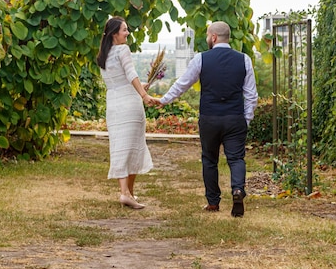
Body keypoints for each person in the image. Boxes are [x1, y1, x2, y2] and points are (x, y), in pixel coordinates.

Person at [153, 21, 258, 217]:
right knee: (236, 158)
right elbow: (251, 95)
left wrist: (164, 100)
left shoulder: (201, 59)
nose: (207, 39)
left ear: (214, 37)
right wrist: (246, 119)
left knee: (209, 159)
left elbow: (182, 84)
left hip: (210, 117)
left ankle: (213, 202)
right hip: (235, 117)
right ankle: (237, 190)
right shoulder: (244, 60)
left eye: (208, 35)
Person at [96, 16, 155, 209]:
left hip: (113, 104)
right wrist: (144, 94)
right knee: (133, 146)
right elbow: (131, 74)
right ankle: (125, 193)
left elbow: (121, 80)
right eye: (124, 30)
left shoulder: (103, 55)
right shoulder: (123, 49)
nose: (127, 33)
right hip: (130, 105)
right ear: (114, 34)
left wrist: (141, 86)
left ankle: (128, 193)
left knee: (120, 147)